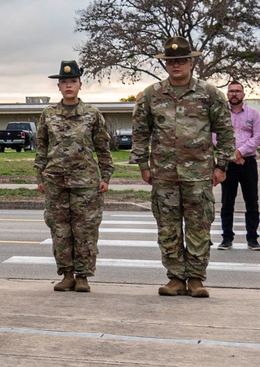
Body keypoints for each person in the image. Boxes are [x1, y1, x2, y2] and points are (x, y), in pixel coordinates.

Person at [131, 36, 235, 298]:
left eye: (180, 61)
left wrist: (220, 165)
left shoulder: (210, 94)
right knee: (168, 228)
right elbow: (141, 132)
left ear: (191, 62)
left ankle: (197, 278)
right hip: (164, 174)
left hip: (199, 174)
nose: (175, 65)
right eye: (170, 61)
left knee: (199, 226)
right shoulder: (151, 95)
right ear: (165, 65)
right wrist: (143, 164)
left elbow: (225, 132)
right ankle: (176, 277)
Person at [34, 60, 113, 293]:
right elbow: (41, 146)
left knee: (85, 230)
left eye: (73, 81)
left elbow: (103, 147)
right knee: (60, 230)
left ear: (80, 85)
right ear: (59, 86)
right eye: (64, 82)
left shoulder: (92, 114)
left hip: (86, 182)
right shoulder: (48, 115)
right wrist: (40, 177)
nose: (69, 86)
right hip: (55, 181)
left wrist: (106, 176)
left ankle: (83, 276)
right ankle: (66, 274)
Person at [216, 80, 259, 251]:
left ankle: (253, 238)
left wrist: (239, 152)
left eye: (238, 91)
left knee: (252, 202)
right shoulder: (220, 114)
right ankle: (227, 238)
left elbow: (257, 137)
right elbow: (215, 136)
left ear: (243, 94)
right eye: (231, 91)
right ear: (227, 94)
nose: (234, 94)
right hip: (227, 164)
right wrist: (232, 156)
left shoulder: (253, 114)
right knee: (227, 202)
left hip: (247, 163)